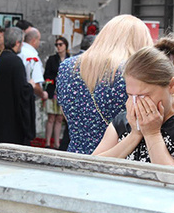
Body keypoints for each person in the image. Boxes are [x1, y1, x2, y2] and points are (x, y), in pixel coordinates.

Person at [93, 37, 174, 170]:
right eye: (130, 95)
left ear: (171, 86)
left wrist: (152, 134)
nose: (136, 103)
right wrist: (134, 136)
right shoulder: (124, 121)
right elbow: (91, 167)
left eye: (144, 96)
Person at [57, 14, 153, 154]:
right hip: (120, 157)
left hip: (77, 155)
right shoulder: (132, 72)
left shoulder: (67, 67)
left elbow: (65, 112)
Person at [0, 27, 35, 145]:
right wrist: (30, 86)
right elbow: (22, 92)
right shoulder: (15, 62)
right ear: (17, 43)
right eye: (21, 42)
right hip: (10, 120)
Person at [43, 36, 70, 149]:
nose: (58, 47)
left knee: (59, 118)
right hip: (53, 90)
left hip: (64, 92)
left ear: (65, 46)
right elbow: (46, 75)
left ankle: (57, 143)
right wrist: (54, 80)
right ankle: (48, 142)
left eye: (60, 44)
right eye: (57, 45)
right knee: (51, 117)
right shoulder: (52, 59)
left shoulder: (70, 59)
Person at [18, 27, 48, 100]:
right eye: (39, 39)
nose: (39, 42)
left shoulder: (19, 51)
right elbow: (35, 84)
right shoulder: (32, 56)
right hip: (29, 97)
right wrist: (42, 94)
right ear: (34, 41)